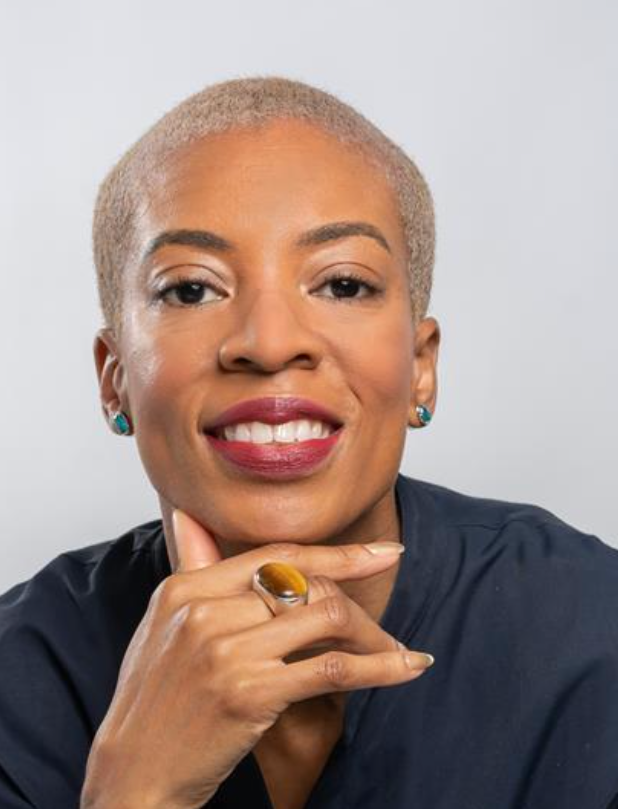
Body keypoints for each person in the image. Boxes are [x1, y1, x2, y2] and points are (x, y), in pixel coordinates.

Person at [1, 76, 617, 809]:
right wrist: (139, 791)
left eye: (344, 283)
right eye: (192, 289)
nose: (270, 343)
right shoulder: (19, 681)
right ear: (114, 381)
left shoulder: (592, 631)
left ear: (420, 367)